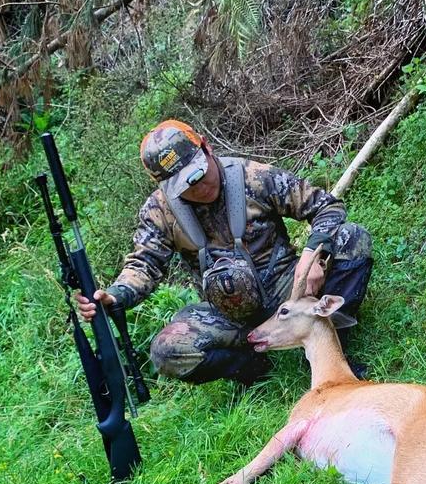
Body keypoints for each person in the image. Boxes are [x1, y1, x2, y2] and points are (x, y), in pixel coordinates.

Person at [76, 119, 373, 385]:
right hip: (227, 312)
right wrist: (115, 295)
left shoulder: (253, 177)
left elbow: (326, 206)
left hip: (286, 290)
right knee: (167, 351)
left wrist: (313, 254)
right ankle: (256, 369)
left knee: (352, 239)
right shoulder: (160, 211)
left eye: (198, 173)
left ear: (206, 147)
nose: (198, 187)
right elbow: (144, 264)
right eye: (184, 185)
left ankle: (330, 352)